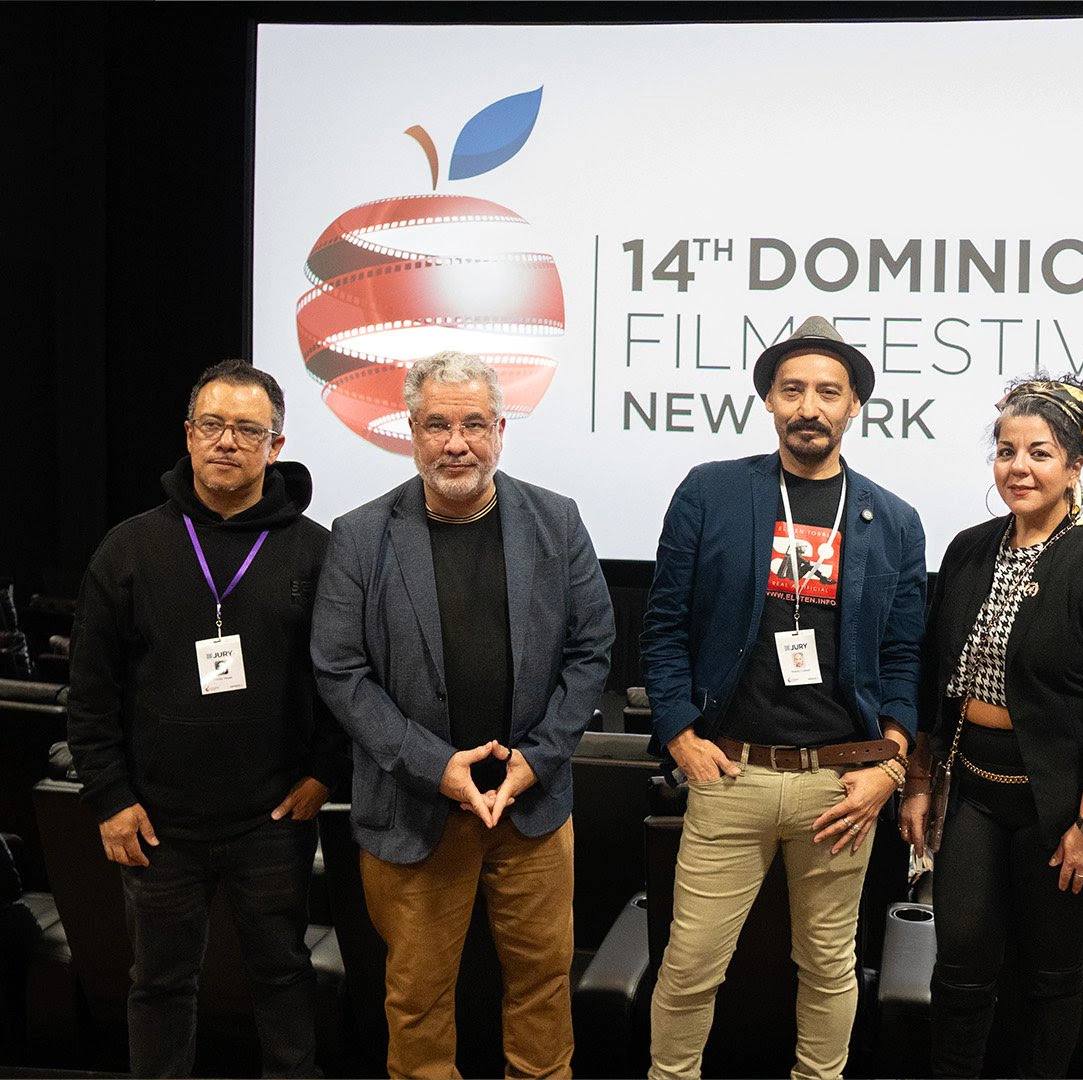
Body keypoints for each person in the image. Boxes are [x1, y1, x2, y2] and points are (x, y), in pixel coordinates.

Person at [311, 350, 614, 1079]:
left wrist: (538, 760)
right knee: (416, 1002)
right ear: (411, 430)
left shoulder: (556, 521)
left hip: (532, 810)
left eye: (474, 424)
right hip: (415, 813)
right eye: (438, 425)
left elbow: (592, 647)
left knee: (543, 989)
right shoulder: (360, 535)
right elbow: (340, 670)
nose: (457, 443)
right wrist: (434, 766)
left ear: (500, 430)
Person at [641, 316, 927, 1080]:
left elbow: (905, 660)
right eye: (793, 389)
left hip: (841, 788)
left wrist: (890, 766)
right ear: (768, 399)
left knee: (830, 967)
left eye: (828, 392)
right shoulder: (711, 492)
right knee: (689, 965)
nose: (809, 406)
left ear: (854, 405)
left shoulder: (895, 521)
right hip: (729, 775)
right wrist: (680, 735)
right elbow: (663, 626)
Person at [68, 359, 345, 1078]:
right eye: (212, 425)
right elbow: (90, 693)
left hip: (272, 820)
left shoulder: (318, 553)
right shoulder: (128, 549)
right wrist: (110, 798)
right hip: (158, 821)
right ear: (188, 435)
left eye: (247, 430)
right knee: (159, 985)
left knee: (284, 977)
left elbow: (343, 681)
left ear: (276, 446)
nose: (227, 441)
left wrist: (325, 772)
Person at [899, 376, 1083, 1078]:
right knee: (960, 966)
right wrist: (919, 783)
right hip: (974, 791)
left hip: (1064, 807)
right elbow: (933, 679)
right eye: (1006, 451)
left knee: (1049, 974)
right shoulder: (968, 550)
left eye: (1040, 453)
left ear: (1074, 465)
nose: (1019, 467)